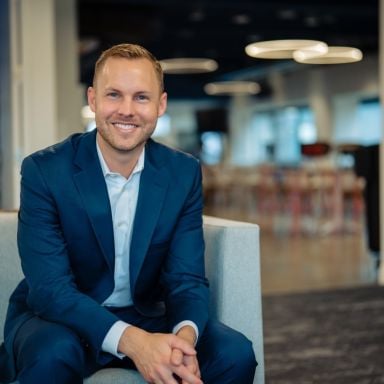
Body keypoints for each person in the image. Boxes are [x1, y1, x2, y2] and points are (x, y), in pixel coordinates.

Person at [0, 43, 256, 384]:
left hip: (147, 313)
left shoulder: (183, 172)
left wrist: (181, 346)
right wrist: (136, 344)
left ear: (160, 104)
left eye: (141, 97)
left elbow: (186, 278)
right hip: (60, 318)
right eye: (113, 95)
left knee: (233, 355)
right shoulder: (44, 171)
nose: (126, 110)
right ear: (92, 100)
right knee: (52, 356)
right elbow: (50, 290)